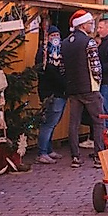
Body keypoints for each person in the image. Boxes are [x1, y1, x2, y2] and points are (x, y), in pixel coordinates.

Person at [61, 10, 105, 169]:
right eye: (90, 23)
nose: (92, 26)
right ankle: (99, 156)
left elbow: (62, 67)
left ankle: (75, 156)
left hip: (73, 88)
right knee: (99, 121)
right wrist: (97, 82)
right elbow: (95, 66)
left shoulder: (64, 43)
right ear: (83, 24)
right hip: (89, 87)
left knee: (74, 123)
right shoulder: (89, 42)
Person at [34, 23, 67, 164]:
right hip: (52, 93)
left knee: (53, 123)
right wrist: (64, 83)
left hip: (60, 92)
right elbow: (47, 72)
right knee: (48, 123)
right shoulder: (44, 53)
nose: (55, 38)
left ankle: (48, 149)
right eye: (52, 35)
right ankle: (42, 152)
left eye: (57, 35)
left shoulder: (60, 52)